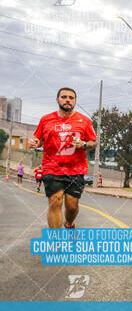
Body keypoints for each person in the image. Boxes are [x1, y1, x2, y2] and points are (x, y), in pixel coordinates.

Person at [28, 87, 97, 228]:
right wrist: (34, 142)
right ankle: (56, 242)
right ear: (57, 99)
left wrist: (83, 144)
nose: (67, 100)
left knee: (72, 206)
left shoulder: (84, 121)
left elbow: (93, 143)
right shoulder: (46, 120)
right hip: (52, 167)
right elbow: (38, 138)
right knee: (55, 201)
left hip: (76, 169)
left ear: (75, 101)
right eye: (64, 97)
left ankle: (69, 223)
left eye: (71, 98)